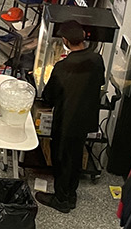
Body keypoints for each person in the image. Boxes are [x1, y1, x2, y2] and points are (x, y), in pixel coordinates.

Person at [36, 24, 106, 213]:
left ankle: (61, 199)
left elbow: (50, 96)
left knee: (61, 158)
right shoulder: (97, 59)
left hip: (66, 119)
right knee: (75, 156)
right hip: (85, 118)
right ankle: (71, 193)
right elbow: (99, 83)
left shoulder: (63, 66)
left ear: (65, 42)